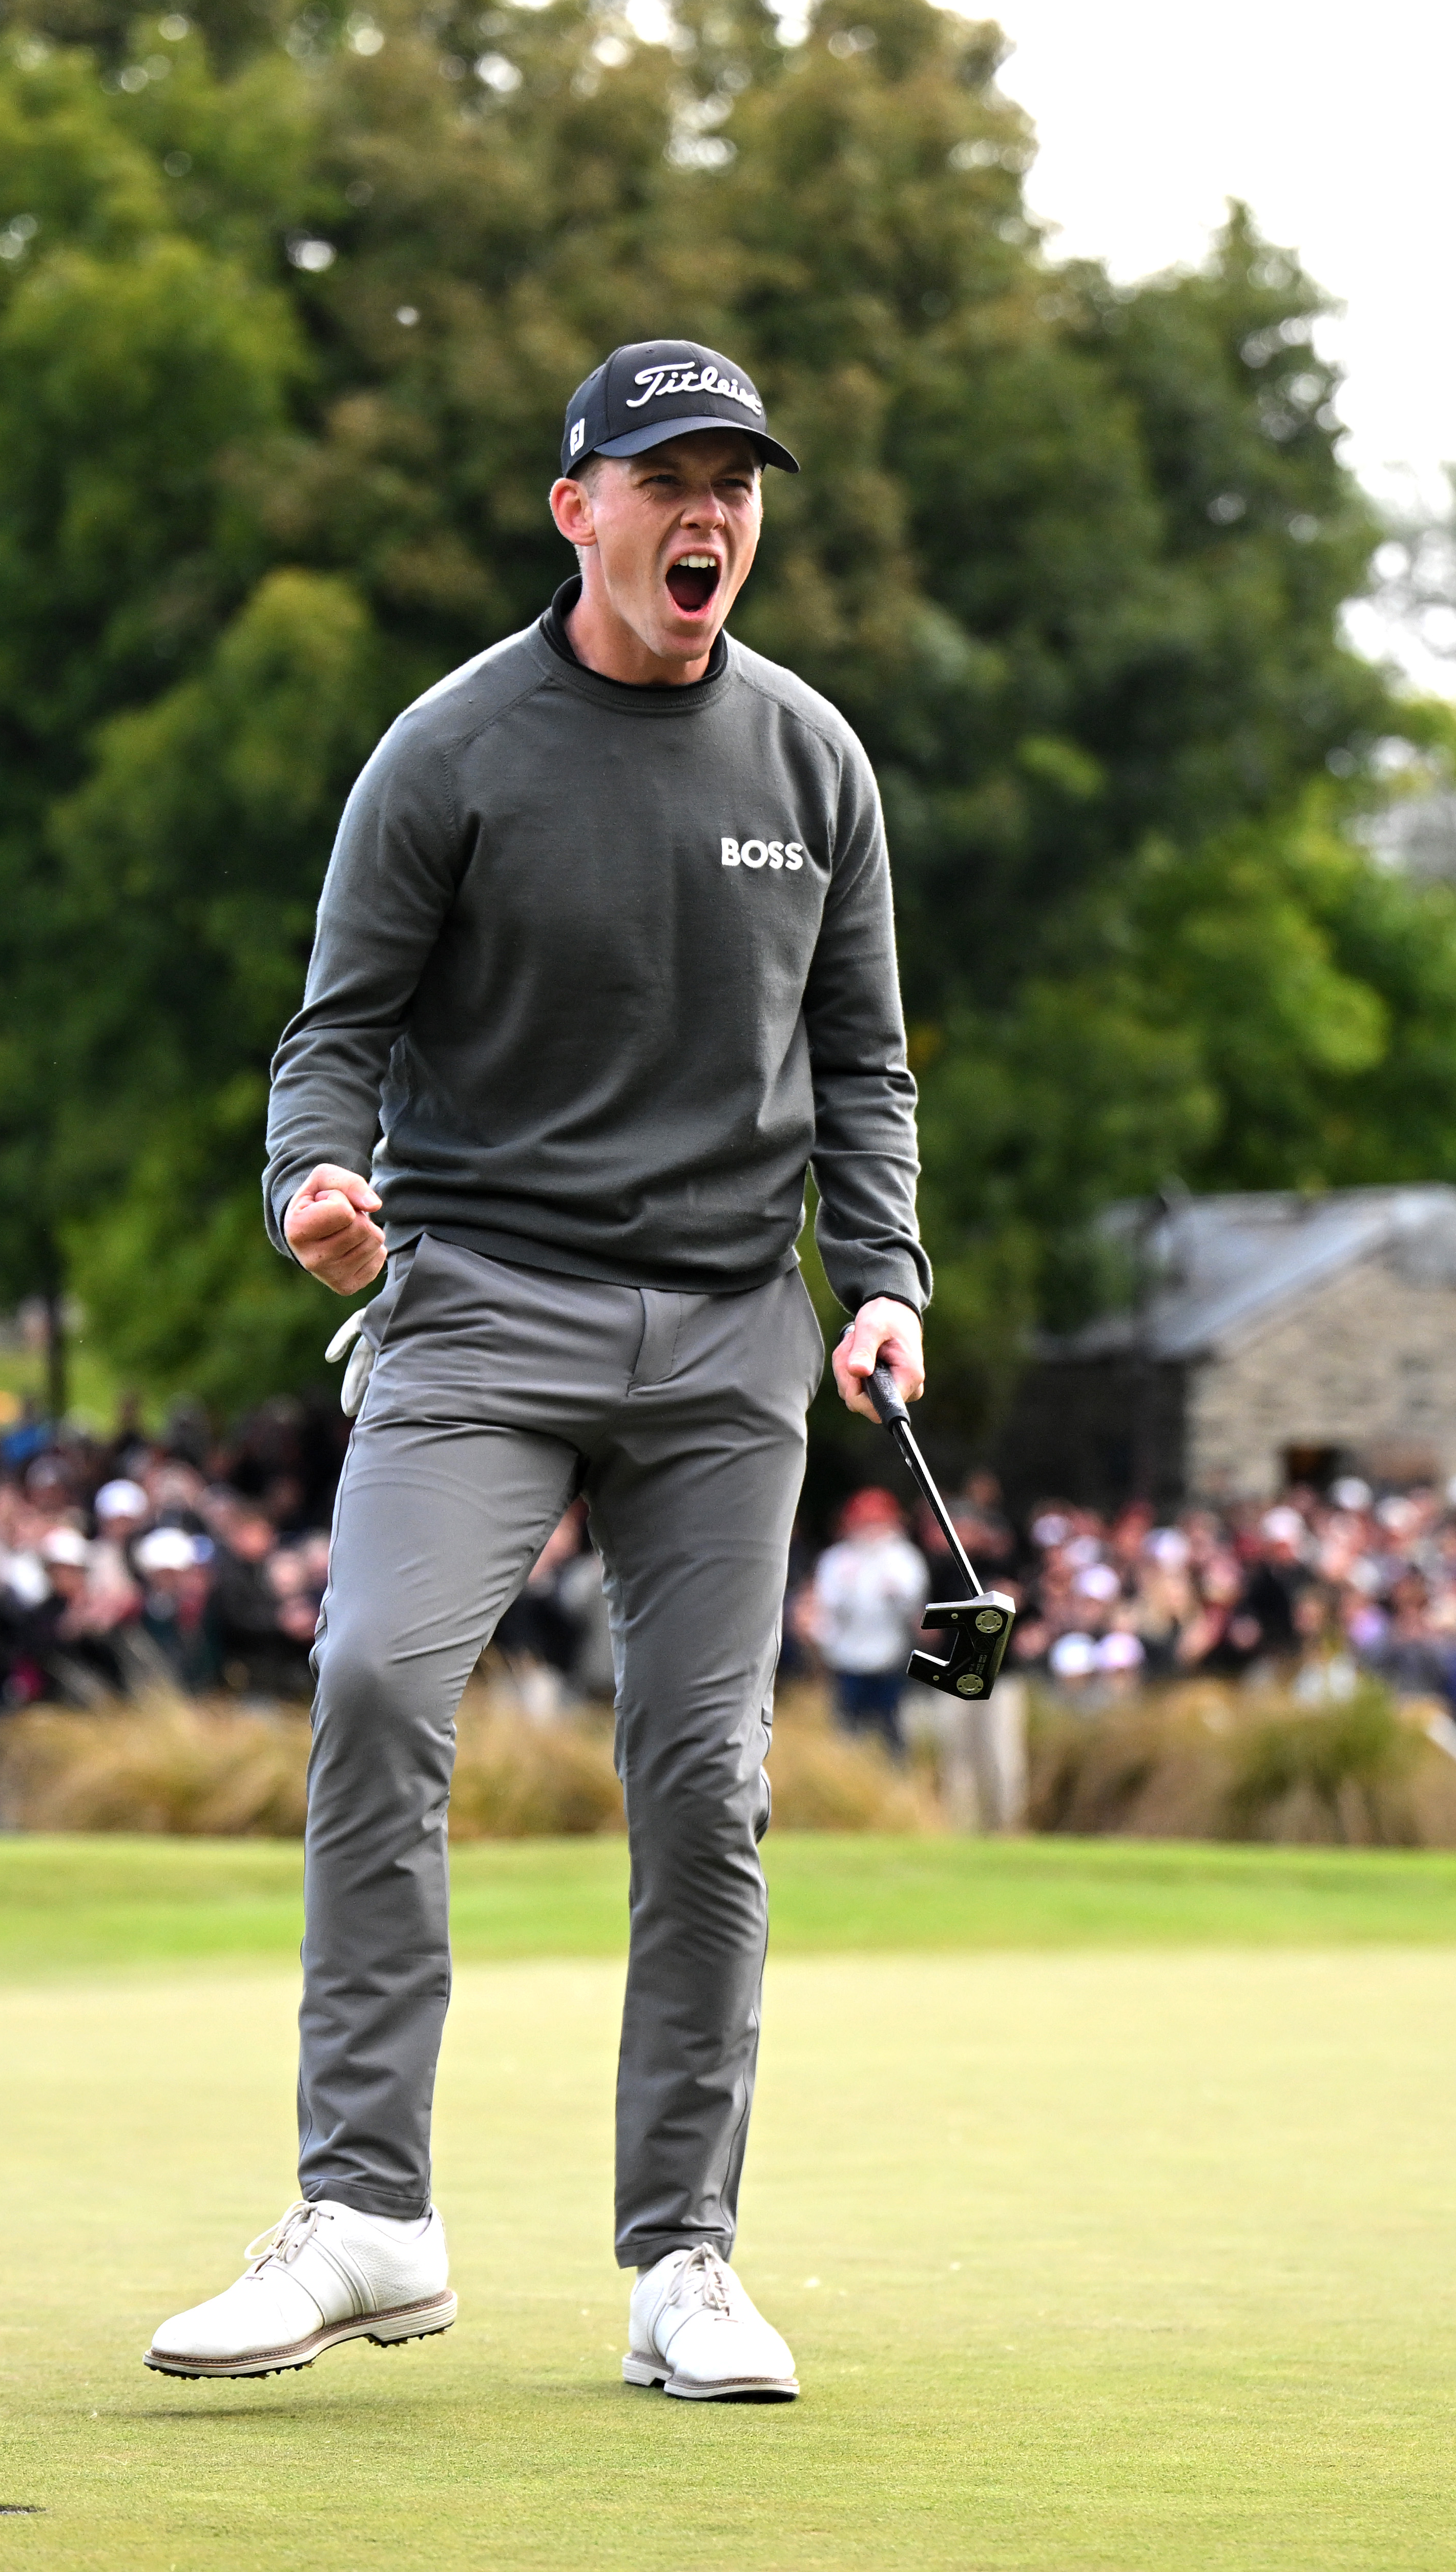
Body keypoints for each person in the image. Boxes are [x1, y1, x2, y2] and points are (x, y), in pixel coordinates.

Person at [152, 340, 919, 2405]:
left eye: (738, 481)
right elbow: (335, 1029)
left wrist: (883, 1280)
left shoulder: (811, 763)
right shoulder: (450, 749)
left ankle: (686, 2255)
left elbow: (862, 1065)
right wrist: (312, 1174)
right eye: (668, 476)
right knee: (379, 1676)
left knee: (700, 1772)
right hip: (480, 1293)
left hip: (728, 1337)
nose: (713, 514)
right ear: (572, 503)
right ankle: (370, 2214)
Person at [809, 1487, 927, 1752]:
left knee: (892, 1732)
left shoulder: (903, 1557)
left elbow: (914, 1604)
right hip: (847, 1660)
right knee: (848, 1733)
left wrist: (896, 1594)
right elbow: (826, 1606)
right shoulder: (837, 1559)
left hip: (889, 1659)